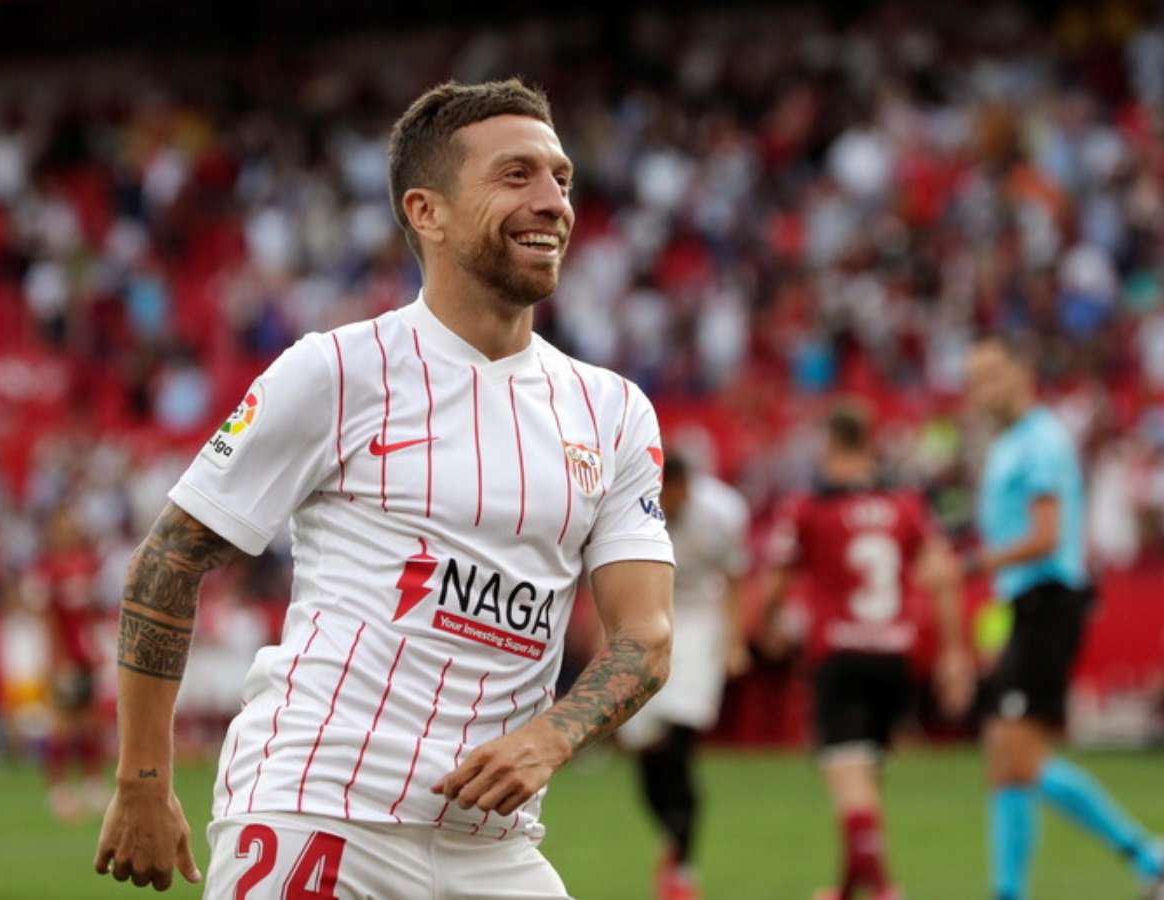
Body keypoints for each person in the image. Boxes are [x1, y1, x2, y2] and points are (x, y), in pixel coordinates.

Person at [93, 78, 675, 897]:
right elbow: (168, 562)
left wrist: (552, 737)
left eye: (561, 178)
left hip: (494, 843)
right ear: (426, 212)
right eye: (516, 176)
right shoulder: (336, 371)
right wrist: (142, 782)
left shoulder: (613, 411)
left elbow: (644, 637)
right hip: (318, 811)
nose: (552, 201)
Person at [966, 337, 1163, 900]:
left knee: (1020, 755)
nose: (982, 390)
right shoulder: (1009, 443)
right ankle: (1009, 891)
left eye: (992, 376)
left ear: (1022, 373)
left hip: (1049, 602)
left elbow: (1046, 535)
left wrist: (974, 564)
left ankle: (1148, 855)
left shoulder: (1040, 442)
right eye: (975, 380)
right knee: (1004, 755)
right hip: (1026, 604)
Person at [761, 404, 972, 900]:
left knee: (847, 774)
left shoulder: (809, 507)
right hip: (896, 655)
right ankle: (849, 883)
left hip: (840, 653)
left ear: (831, 442)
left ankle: (880, 888)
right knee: (865, 774)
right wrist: (953, 653)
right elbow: (944, 575)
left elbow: (775, 579)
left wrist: (769, 624)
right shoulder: (907, 506)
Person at [618, 454, 751, 900]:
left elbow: (733, 578)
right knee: (646, 749)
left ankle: (682, 863)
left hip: (697, 621)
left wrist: (734, 642)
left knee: (680, 736)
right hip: (643, 618)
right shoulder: (631, 504)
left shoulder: (720, 512)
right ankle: (672, 836)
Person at [28, 505, 108, 821]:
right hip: (65, 657)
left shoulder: (86, 564)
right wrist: (56, 658)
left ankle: (92, 782)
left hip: (86, 654)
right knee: (63, 722)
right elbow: (46, 617)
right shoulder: (47, 569)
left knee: (90, 720)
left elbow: (92, 612)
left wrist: (96, 646)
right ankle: (58, 788)